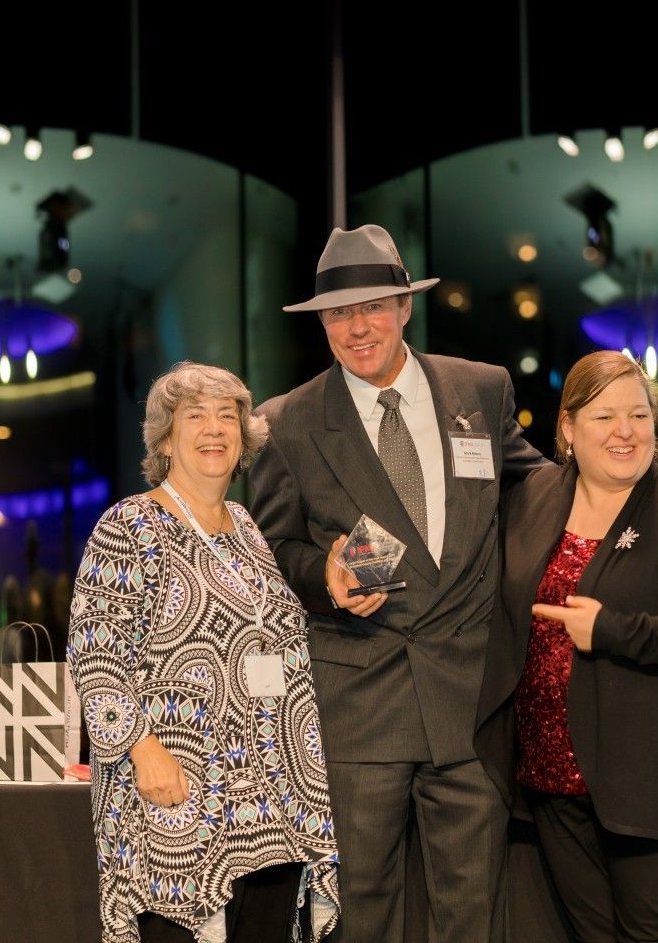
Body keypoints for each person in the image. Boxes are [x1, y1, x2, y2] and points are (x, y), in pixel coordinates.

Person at [248, 224, 548, 943]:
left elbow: (538, 491)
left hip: (470, 703)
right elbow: (270, 550)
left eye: (373, 307)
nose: (357, 327)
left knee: (473, 917)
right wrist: (323, 576)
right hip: (358, 706)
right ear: (322, 323)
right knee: (360, 915)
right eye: (339, 313)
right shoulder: (286, 423)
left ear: (406, 307)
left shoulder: (481, 390)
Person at [68, 361, 340, 943]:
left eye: (227, 417)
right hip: (181, 798)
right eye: (195, 417)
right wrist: (143, 751)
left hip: (273, 805)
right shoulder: (129, 526)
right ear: (166, 439)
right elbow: (96, 657)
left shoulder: (244, 526)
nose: (214, 429)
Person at [475, 349, 658, 942]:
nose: (626, 431)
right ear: (568, 428)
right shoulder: (534, 496)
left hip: (647, 785)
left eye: (639, 416)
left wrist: (610, 630)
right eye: (605, 417)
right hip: (550, 781)